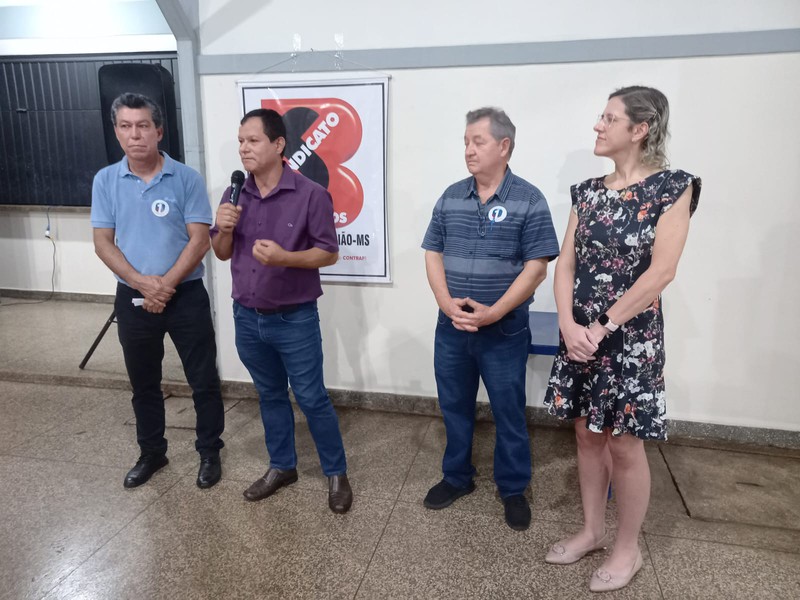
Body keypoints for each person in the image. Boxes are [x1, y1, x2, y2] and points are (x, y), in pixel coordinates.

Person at [543, 86, 701, 592]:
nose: (598, 125)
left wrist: (602, 326)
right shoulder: (587, 192)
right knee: (587, 435)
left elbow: (662, 272)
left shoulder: (673, 187)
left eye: (609, 118)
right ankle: (591, 531)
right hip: (580, 335)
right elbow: (566, 264)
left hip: (630, 339)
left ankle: (627, 550)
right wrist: (567, 324)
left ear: (640, 129)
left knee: (626, 444)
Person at [421, 107, 560, 531]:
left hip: (503, 329)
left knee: (508, 410)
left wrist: (494, 312)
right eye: (465, 142)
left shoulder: (529, 200)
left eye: (477, 141)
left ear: (504, 146)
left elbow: (537, 267)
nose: (468, 150)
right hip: (452, 326)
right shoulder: (451, 196)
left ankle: (513, 488)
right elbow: (432, 252)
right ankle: (456, 477)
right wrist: (446, 303)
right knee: (454, 406)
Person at [211, 108, 352, 514]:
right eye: (241, 141)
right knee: (269, 394)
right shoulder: (234, 194)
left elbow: (328, 253)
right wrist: (223, 227)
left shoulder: (310, 194)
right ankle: (282, 466)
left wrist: (285, 258)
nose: (244, 148)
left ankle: (336, 473)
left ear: (278, 144)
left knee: (311, 397)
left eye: (253, 140)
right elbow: (221, 253)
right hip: (246, 317)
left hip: (295, 319)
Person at [91, 92, 225, 490]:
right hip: (133, 299)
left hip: (186, 296)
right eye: (126, 126)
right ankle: (152, 452)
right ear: (116, 132)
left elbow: (200, 239)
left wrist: (164, 286)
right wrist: (140, 282)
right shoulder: (105, 181)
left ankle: (209, 451)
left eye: (143, 126)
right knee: (144, 383)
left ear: (159, 131)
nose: (135, 135)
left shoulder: (186, 178)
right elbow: (103, 243)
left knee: (203, 380)